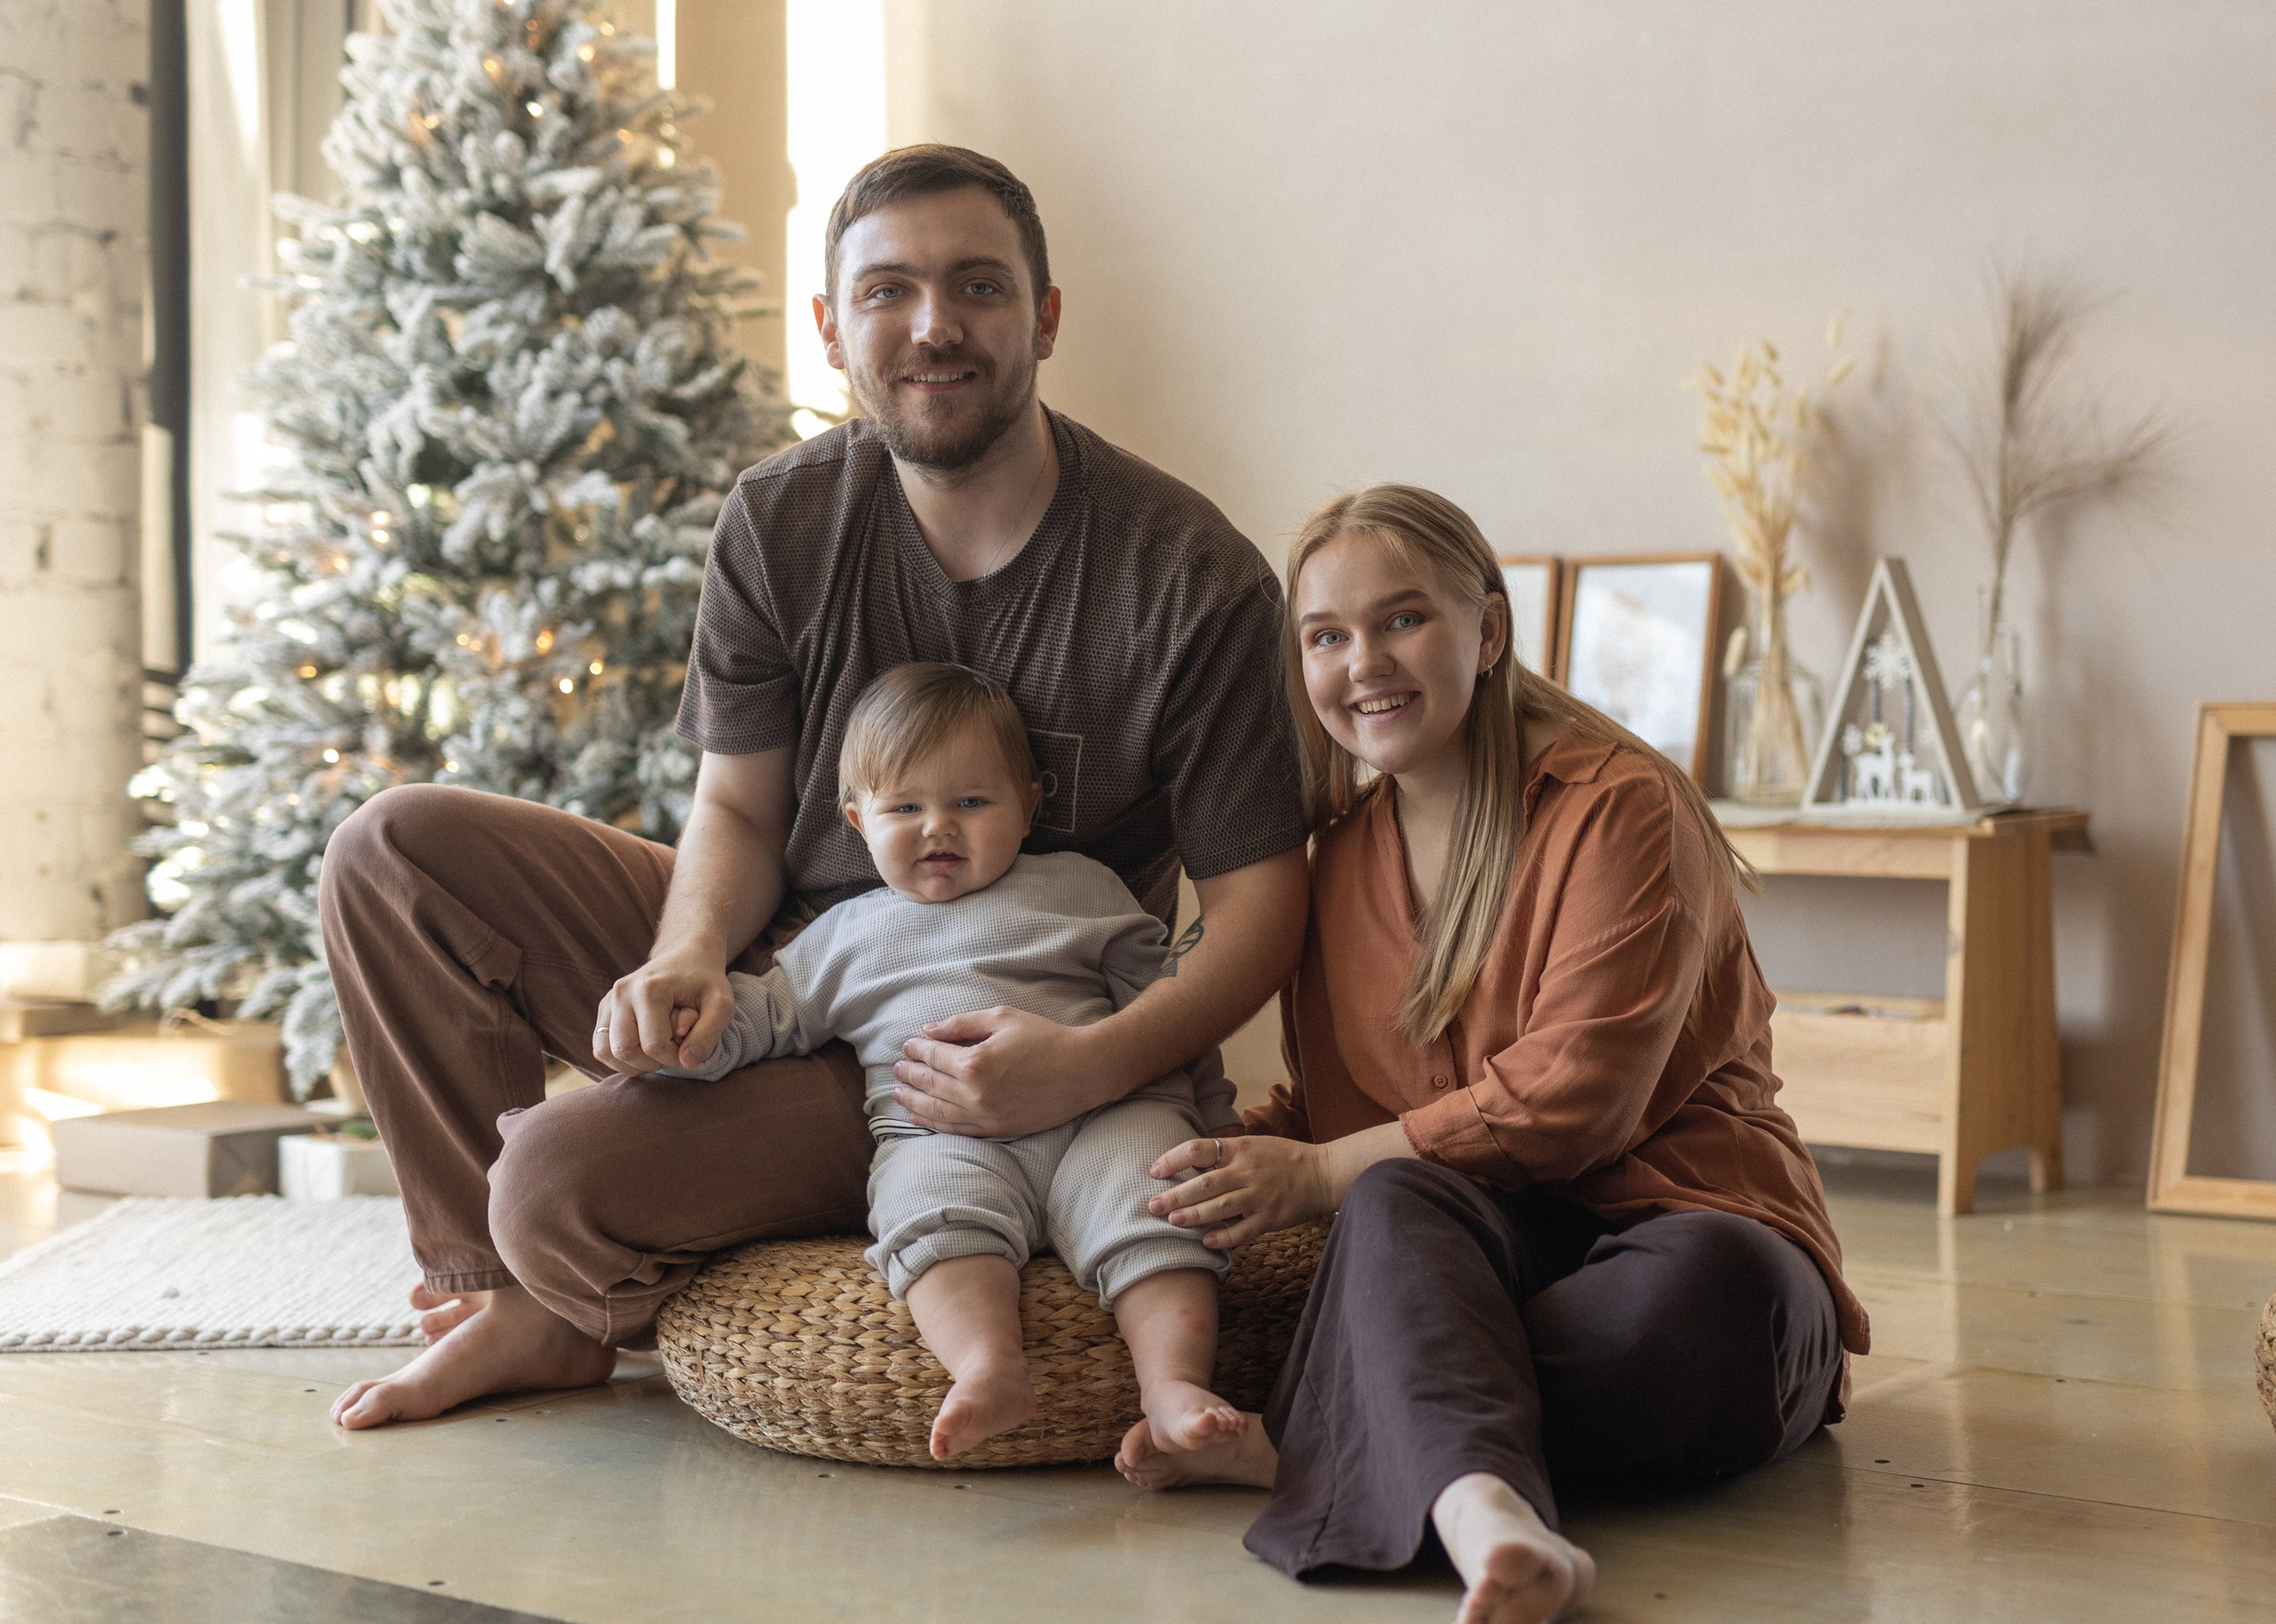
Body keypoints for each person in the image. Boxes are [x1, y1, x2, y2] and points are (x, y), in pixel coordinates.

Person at [320, 145, 1309, 1430]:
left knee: (559, 1178)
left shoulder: (1186, 573)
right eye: (888, 290)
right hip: (794, 959)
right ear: (833, 327)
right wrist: (689, 954)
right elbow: (735, 807)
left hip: (967, 1033)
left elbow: (1259, 901)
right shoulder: (781, 518)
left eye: (978, 287)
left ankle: (577, 1259)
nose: (933, 325)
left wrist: (1083, 1066)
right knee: (395, 850)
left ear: (1046, 318)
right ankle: (507, 1300)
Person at [1112, 485, 1871, 1624]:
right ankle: (1487, 1514)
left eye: (1401, 619)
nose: (1362, 661)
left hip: (1687, 1231)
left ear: (1490, 629)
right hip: (1486, 1253)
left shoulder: (1620, 806)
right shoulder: (1334, 866)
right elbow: (1330, 1120)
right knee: (1389, 1210)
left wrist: (1318, 1175)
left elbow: (1578, 1104)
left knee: (1700, 1301)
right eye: (1326, 636)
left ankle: (1345, 1435)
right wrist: (1178, 1162)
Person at [657, 662, 1244, 1461]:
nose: (939, 827)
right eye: (907, 807)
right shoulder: (845, 934)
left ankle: (1173, 1385)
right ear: (858, 820)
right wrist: (681, 1038)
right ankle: (987, 1365)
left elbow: (1168, 1011)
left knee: (1160, 1201)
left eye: (971, 802)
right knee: (925, 1212)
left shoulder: (1084, 888)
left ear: (1030, 803)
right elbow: (761, 1016)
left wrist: (1217, 1124)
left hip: (1107, 1112)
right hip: (941, 1135)